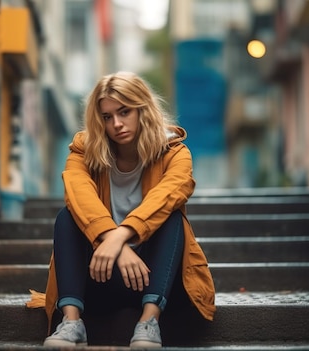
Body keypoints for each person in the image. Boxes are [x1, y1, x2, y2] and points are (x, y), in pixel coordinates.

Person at [42, 71, 215, 347]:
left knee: (172, 218)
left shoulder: (174, 153)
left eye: (124, 112)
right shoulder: (82, 152)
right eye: (107, 117)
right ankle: (72, 322)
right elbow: (78, 196)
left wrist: (122, 235)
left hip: (157, 281)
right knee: (67, 217)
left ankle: (149, 322)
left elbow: (169, 195)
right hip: (100, 277)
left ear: (142, 109)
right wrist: (116, 245)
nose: (117, 124)